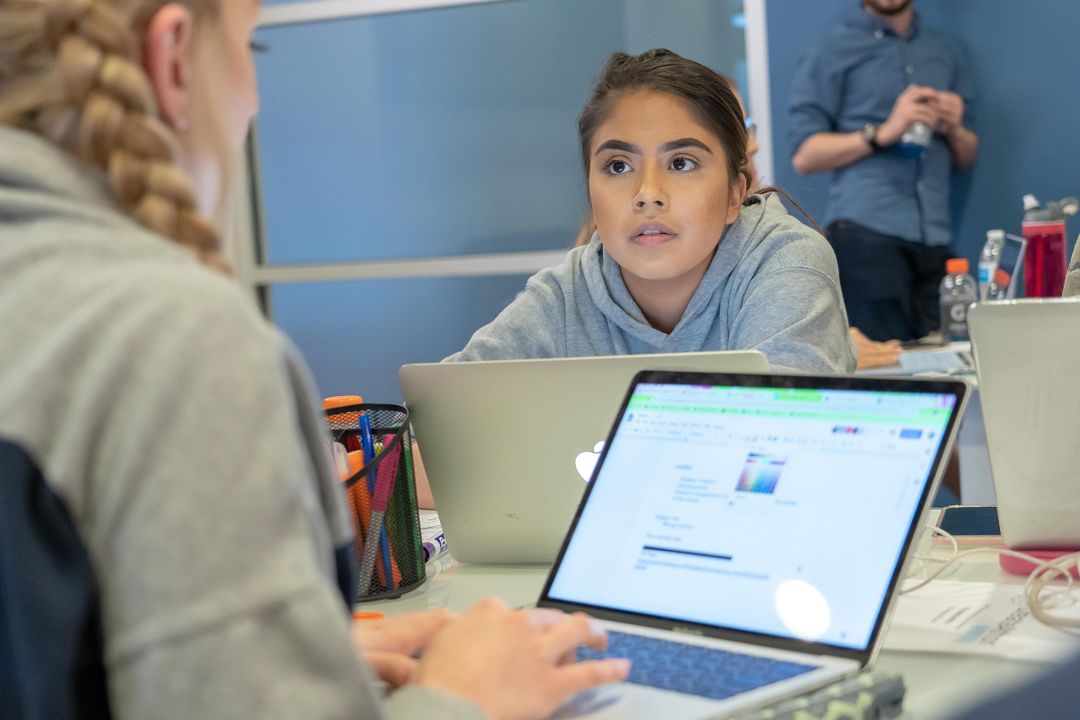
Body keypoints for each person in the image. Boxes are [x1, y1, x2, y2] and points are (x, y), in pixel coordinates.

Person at [0, 1, 629, 718]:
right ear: (174, 58)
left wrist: (271, 655)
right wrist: (460, 699)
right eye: (253, 51)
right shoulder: (172, 342)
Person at [449, 49, 855, 374]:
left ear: (736, 193)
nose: (647, 195)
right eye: (618, 166)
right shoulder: (566, 294)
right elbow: (435, 424)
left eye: (681, 163)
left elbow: (784, 449)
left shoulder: (786, 263)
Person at [789, 0, 978, 343]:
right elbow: (804, 156)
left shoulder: (945, 49)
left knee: (948, 366)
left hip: (935, 240)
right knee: (881, 369)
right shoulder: (830, 49)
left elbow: (966, 156)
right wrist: (885, 132)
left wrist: (954, 127)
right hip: (866, 236)